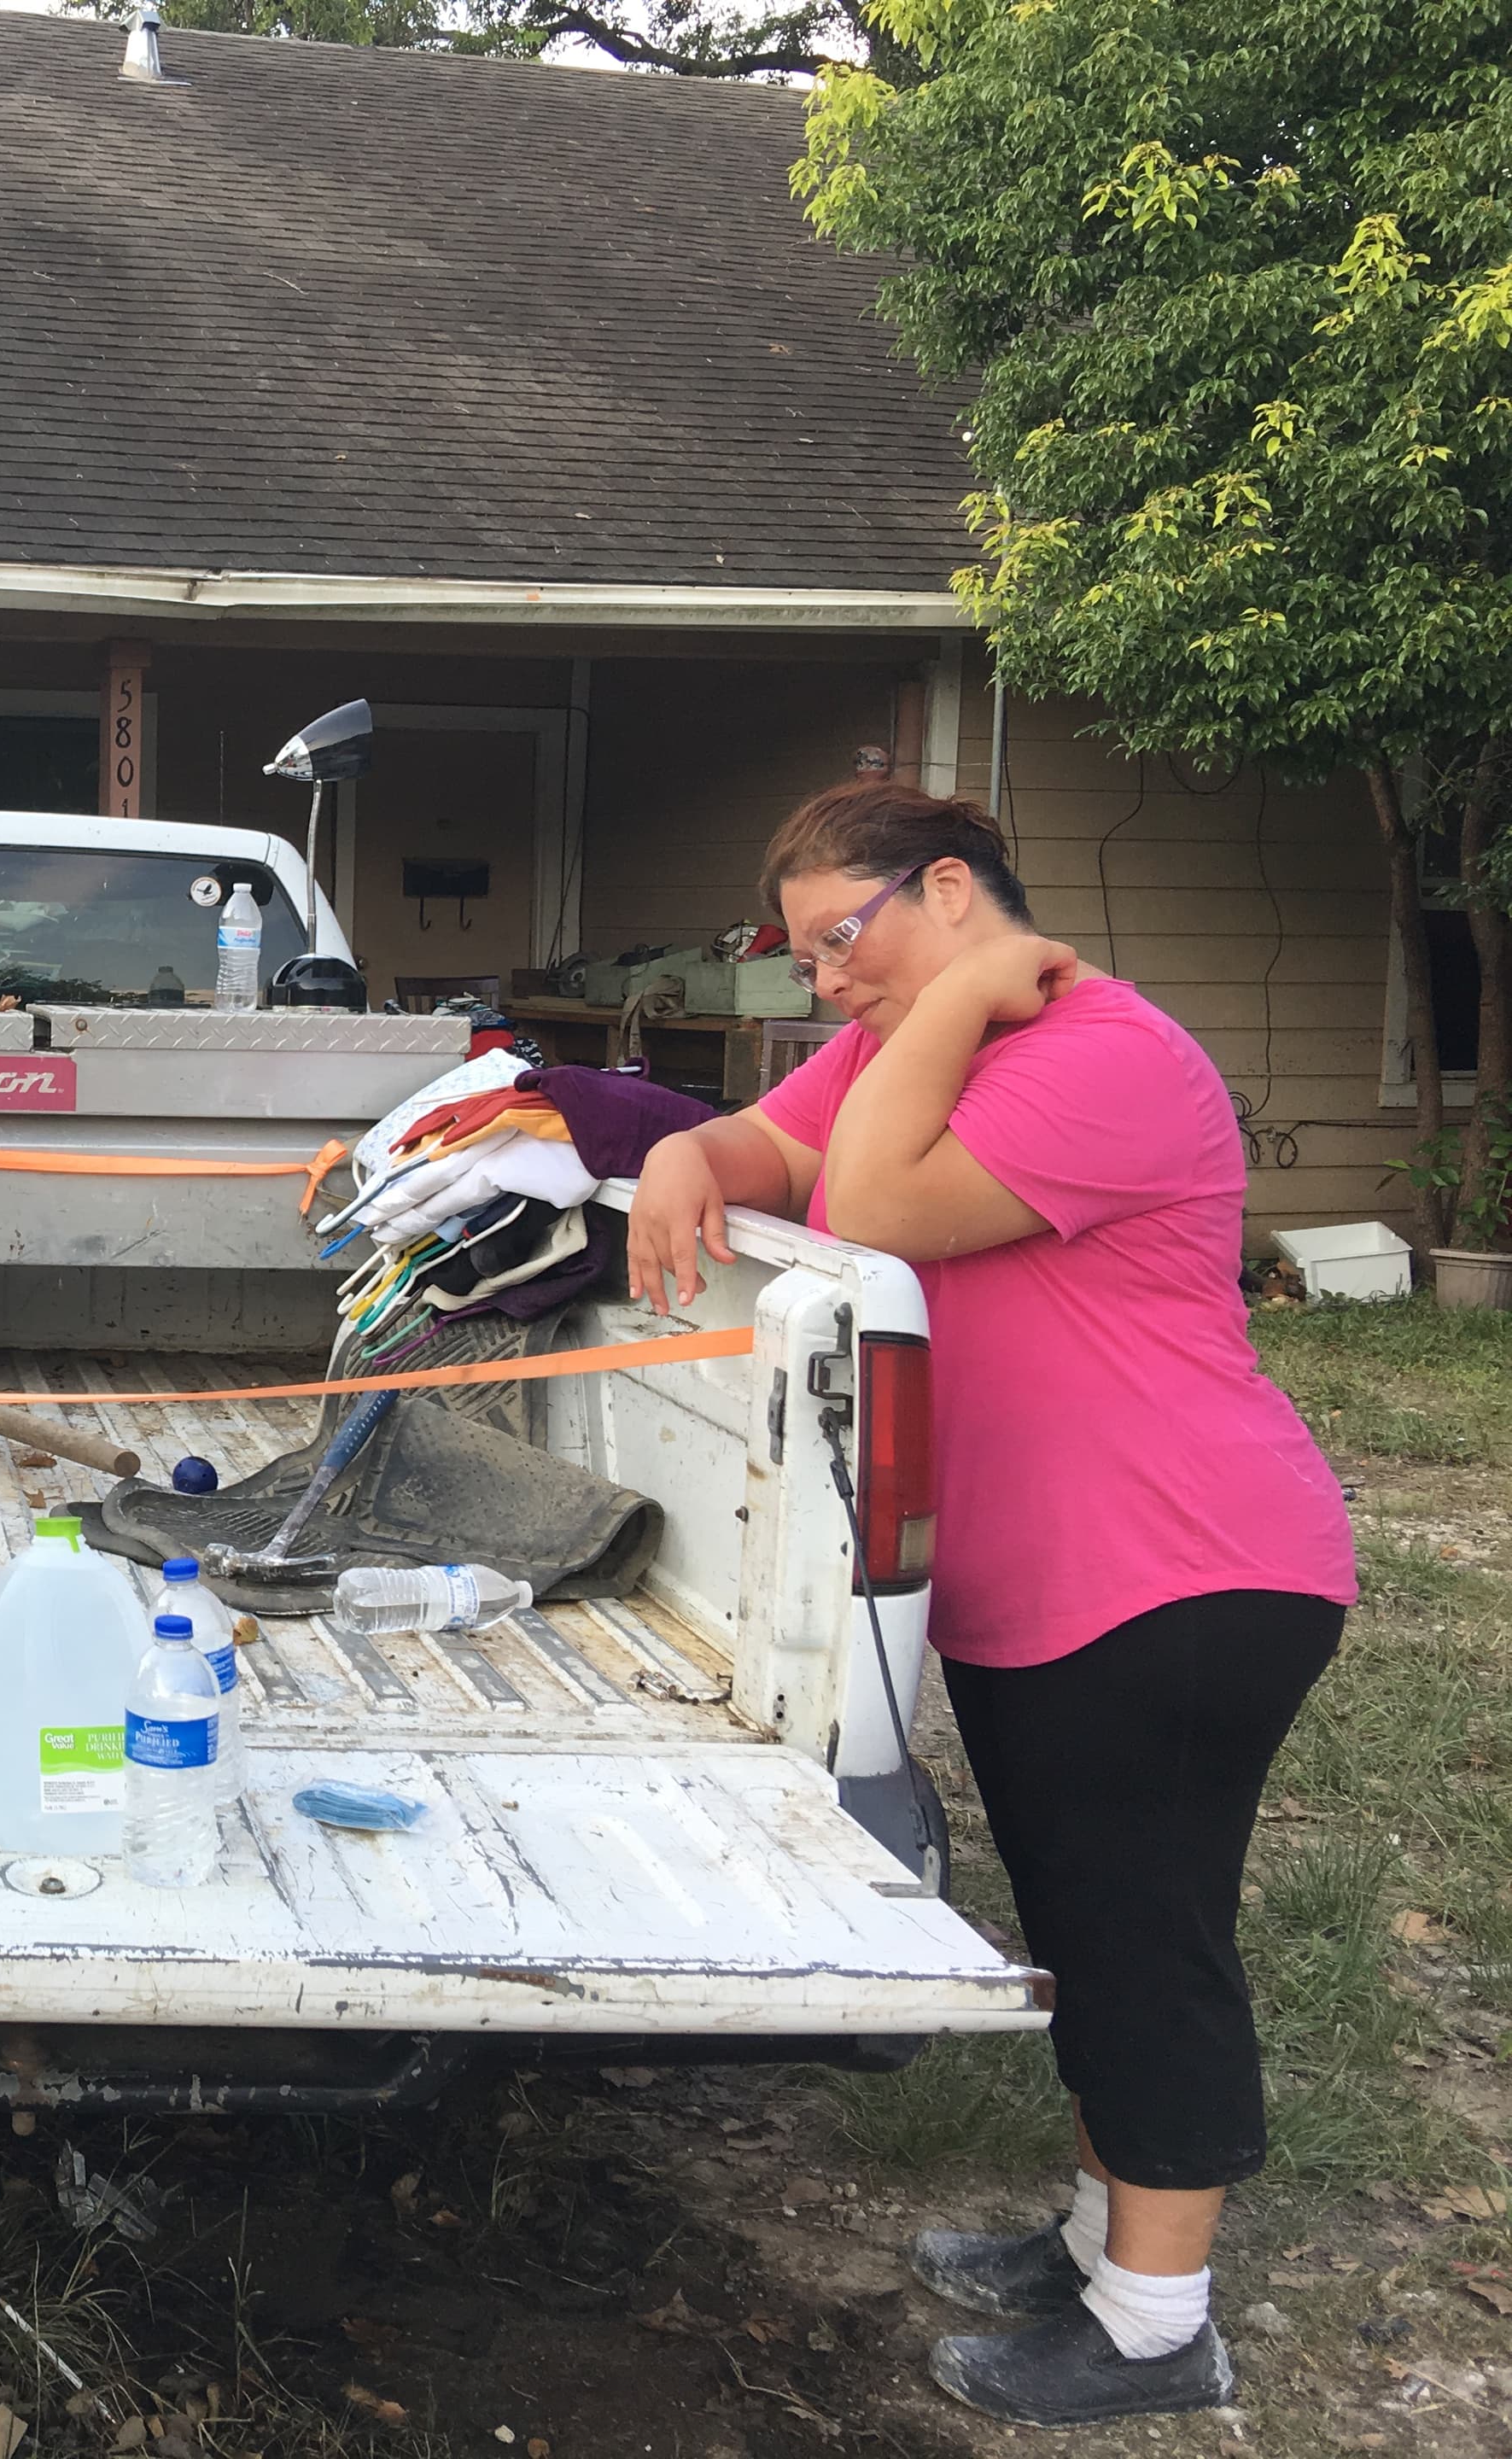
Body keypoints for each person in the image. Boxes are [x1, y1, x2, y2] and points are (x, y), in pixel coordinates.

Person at [626, 779, 1355, 2429]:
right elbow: (778, 1151)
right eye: (805, 958)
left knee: (1147, 1940)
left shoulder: (1109, 1055)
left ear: (948, 889)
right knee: (1084, 1922)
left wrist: (953, 1000)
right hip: (1047, 1582)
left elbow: (875, 1209)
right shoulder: (903, 1046)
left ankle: (1159, 2329)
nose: (829, 982)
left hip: (1180, 1567)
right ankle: (1101, 2244)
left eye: (844, 939)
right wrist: (679, 1149)